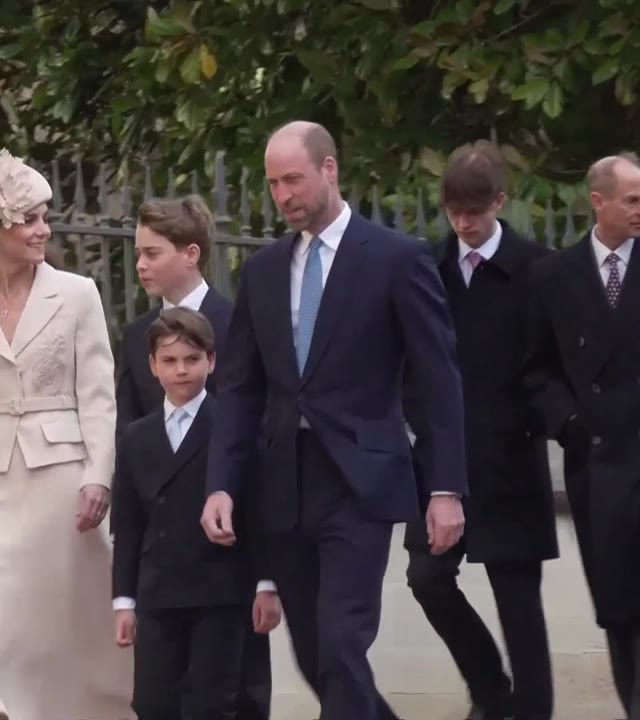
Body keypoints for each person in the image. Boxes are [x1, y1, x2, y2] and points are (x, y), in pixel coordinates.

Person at [200, 120, 468, 720]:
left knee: (344, 641)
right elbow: (241, 388)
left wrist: (446, 488)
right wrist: (221, 482)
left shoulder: (397, 259)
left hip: (360, 481)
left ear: (329, 170)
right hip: (283, 484)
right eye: (273, 185)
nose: (284, 196)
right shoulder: (264, 273)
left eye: (293, 179)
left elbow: (438, 380)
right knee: (316, 651)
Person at [0, 149, 133, 720]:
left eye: (45, 217)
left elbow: (100, 397)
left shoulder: (77, 294)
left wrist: (99, 476)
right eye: (29, 219)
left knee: (66, 634)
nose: (43, 230)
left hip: (63, 483)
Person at [401, 141, 558, 720]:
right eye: (453, 212)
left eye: (475, 211)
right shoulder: (427, 267)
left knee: (519, 601)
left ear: (500, 201)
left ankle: (533, 709)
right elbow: (409, 357)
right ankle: (491, 689)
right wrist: (421, 420)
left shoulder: (536, 270)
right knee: (428, 578)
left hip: (511, 459)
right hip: (444, 460)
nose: (464, 224)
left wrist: (539, 420)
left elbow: (551, 361)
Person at [113, 195, 272, 720]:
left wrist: (266, 573)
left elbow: (261, 436)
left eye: (152, 253)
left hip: (228, 559)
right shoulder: (138, 336)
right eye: (137, 252)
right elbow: (133, 436)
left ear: (191, 253)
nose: (141, 265)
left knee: (232, 694)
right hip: (164, 564)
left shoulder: (241, 325)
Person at [524, 153, 640, 720]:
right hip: (598, 467)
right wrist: (569, 425)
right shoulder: (554, 276)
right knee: (618, 608)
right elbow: (535, 368)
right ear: (599, 202)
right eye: (633, 199)